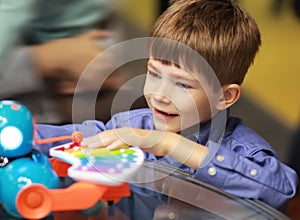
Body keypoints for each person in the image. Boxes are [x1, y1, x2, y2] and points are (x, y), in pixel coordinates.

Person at [36, 0, 298, 210]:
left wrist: (170, 143)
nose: (160, 95)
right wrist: (28, 133)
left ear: (224, 96)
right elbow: (76, 137)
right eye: (154, 74)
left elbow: (280, 190)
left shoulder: (244, 150)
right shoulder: (132, 126)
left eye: (183, 85)